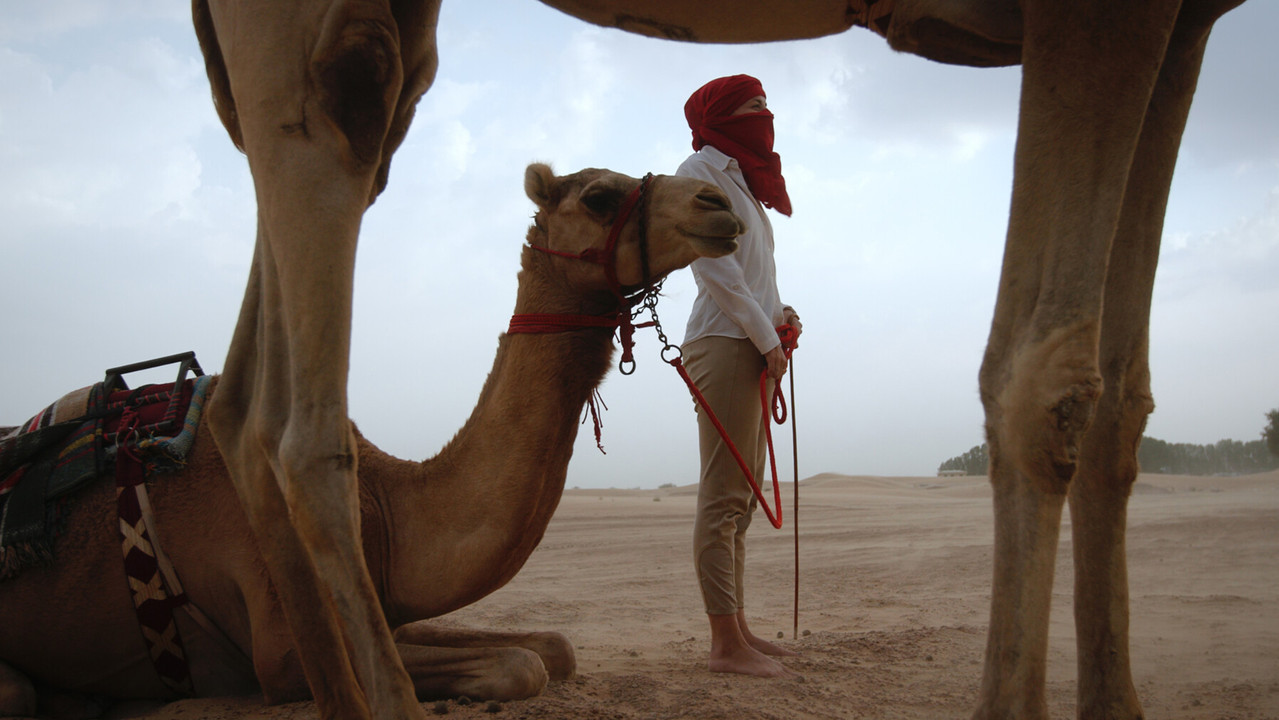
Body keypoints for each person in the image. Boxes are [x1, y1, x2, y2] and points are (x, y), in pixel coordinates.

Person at [677, 74, 803, 678]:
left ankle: (741, 629)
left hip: (751, 342)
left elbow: (754, 277)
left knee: (742, 504)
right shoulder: (698, 170)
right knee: (723, 496)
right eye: (755, 105)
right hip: (724, 342)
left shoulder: (744, 183)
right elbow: (718, 276)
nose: (766, 113)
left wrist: (781, 319)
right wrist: (764, 340)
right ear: (725, 115)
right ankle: (724, 645)